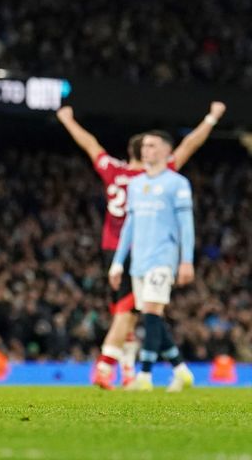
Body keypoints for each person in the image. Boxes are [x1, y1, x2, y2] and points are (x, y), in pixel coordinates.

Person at [56, 102, 224, 389]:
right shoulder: (155, 176)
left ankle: (138, 371)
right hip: (141, 249)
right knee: (136, 313)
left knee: (138, 313)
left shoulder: (113, 170)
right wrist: (212, 118)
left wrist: (67, 120)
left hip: (112, 249)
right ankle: (112, 368)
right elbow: (189, 145)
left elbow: (90, 144)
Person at [109, 131, 195, 392]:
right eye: (144, 146)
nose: (146, 150)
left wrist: (186, 260)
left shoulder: (177, 184)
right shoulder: (136, 185)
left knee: (151, 314)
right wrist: (117, 262)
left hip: (163, 258)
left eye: (152, 146)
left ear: (167, 151)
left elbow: (186, 225)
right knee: (152, 317)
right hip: (139, 261)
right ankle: (181, 371)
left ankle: (144, 377)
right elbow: (129, 226)